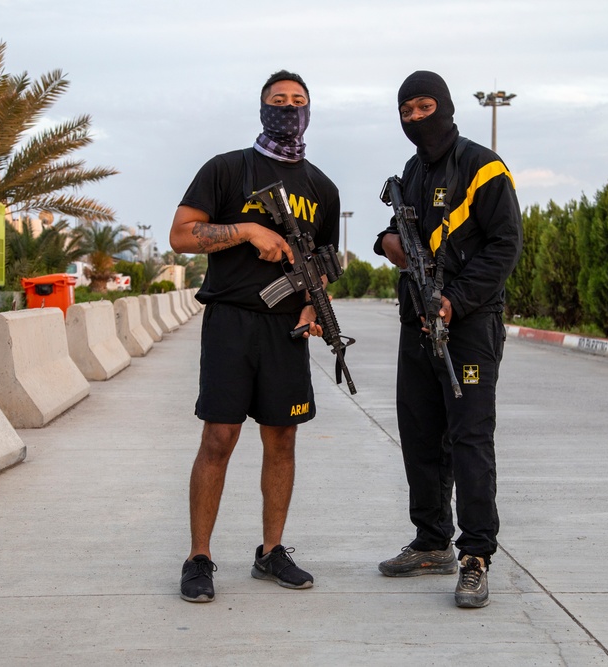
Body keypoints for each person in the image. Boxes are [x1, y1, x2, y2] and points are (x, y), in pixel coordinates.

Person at [169, 70, 340, 603]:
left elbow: (327, 262)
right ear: (262, 107)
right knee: (218, 438)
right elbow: (180, 235)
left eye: (298, 102)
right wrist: (246, 230)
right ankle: (199, 557)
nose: (288, 109)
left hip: (286, 330)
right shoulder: (226, 169)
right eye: (278, 101)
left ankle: (272, 552)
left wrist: (314, 304)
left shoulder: (323, 188)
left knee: (282, 439)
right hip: (231, 321)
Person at [374, 70, 522, 608]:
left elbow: (505, 245)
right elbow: (402, 235)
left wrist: (455, 299)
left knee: (469, 441)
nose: (415, 118)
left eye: (423, 106)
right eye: (406, 110)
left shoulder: (482, 166)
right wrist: (385, 241)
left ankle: (476, 555)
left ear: (446, 106)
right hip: (416, 323)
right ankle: (431, 542)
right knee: (419, 435)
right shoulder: (412, 171)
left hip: (470, 327)